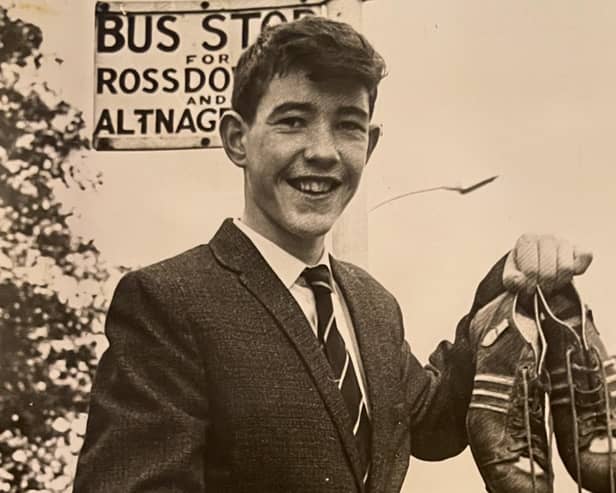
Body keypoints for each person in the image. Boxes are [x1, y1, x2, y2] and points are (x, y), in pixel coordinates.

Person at [73, 16, 592, 492]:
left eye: (347, 125)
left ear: (370, 142)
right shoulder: (168, 301)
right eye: (292, 121)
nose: (322, 151)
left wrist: (510, 285)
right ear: (237, 139)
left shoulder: (372, 304)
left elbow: (435, 427)